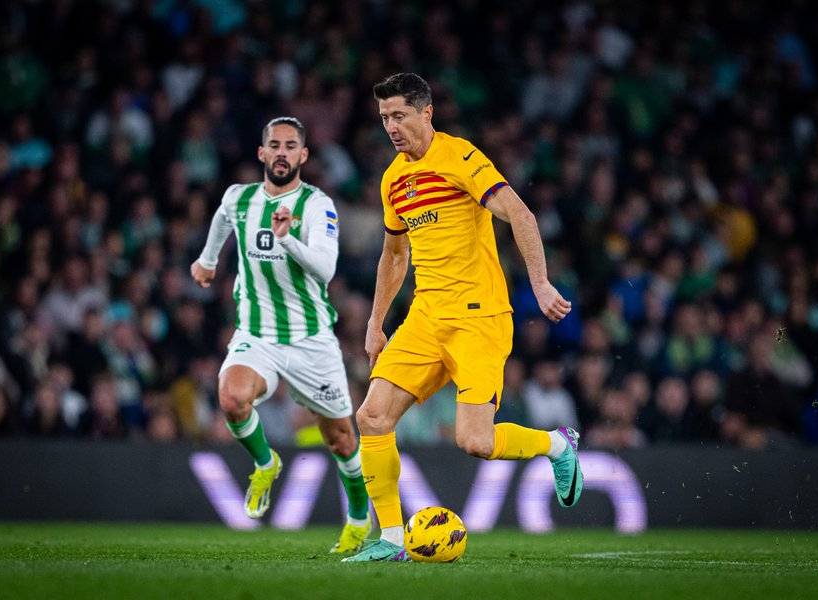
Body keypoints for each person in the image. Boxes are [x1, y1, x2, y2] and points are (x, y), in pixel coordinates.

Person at [344, 74, 582, 563]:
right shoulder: (394, 178)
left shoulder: (461, 157)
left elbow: (521, 215)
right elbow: (393, 257)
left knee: (475, 441)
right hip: (427, 317)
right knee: (371, 417)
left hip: (479, 318)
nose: (390, 126)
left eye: (399, 116)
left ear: (426, 113)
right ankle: (390, 539)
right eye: (384, 117)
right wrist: (375, 323)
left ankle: (557, 445)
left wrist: (539, 283)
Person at [191, 117, 370, 554]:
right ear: (262, 153)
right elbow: (221, 218)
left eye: (292, 146)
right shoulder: (241, 198)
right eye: (275, 145)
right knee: (231, 398)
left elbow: (326, 269)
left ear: (304, 156)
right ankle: (265, 462)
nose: (283, 152)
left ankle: (360, 519)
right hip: (258, 333)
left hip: (311, 338)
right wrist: (208, 259)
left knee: (341, 440)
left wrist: (287, 237)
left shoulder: (317, 205)